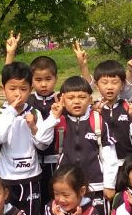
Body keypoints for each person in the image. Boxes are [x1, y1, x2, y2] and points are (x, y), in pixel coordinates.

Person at [0, 62, 57, 215]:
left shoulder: (35, 113)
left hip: (31, 178)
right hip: (5, 179)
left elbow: (43, 144)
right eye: (12, 89)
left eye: (23, 89)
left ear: (30, 90)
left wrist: (33, 127)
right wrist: (11, 111)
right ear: (3, 89)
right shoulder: (0, 115)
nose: (18, 94)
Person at [3, 33, 60, 205]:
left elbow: (83, 91)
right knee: (36, 203)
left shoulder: (60, 100)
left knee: (55, 200)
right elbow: (10, 81)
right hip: (31, 162)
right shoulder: (28, 100)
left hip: (54, 160)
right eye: (38, 80)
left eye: (48, 79)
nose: (43, 84)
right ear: (31, 82)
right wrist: (10, 54)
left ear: (56, 79)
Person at [50, 76, 119, 207]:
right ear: (62, 99)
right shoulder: (58, 121)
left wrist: (109, 185)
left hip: (96, 185)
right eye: (71, 98)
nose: (76, 101)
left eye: (82, 97)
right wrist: (53, 118)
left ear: (90, 100)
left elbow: (110, 156)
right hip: (66, 187)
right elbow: (41, 140)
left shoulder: (98, 121)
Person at [88, 60, 132, 164]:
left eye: (115, 82)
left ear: (122, 85)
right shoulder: (93, 109)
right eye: (104, 83)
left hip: (127, 159)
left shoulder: (127, 106)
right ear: (97, 85)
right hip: (103, 162)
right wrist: (96, 114)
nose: (110, 87)